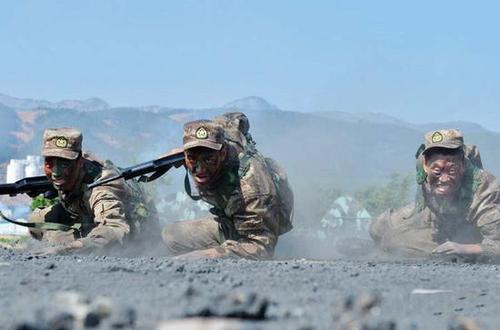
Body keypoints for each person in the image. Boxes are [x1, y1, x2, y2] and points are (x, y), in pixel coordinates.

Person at [161, 115, 293, 260]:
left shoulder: (250, 189)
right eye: (192, 158)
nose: (199, 169)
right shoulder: (220, 135)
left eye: (208, 159)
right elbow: (235, 118)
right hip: (231, 218)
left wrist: (205, 256)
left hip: (257, 224)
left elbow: (260, 247)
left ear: (223, 153)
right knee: (171, 235)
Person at [369, 129, 500, 261]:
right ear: (426, 165)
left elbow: (497, 243)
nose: (443, 179)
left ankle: (454, 255)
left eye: (452, 170)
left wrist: (464, 249)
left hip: (471, 231)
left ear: (463, 166)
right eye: (437, 171)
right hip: (435, 215)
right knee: (378, 226)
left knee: (394, 240)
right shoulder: (422, 164)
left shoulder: (483, 191)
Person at [29, 128, 160, 255]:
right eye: (49, 163)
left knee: (56, 239)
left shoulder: (101, 190)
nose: (56, 173)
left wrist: (68, 248)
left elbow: (115, 229)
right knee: (37, 220)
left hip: (135, 232)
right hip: (84, 213)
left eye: (65, 164)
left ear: (79, 162)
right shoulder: (78, 166)